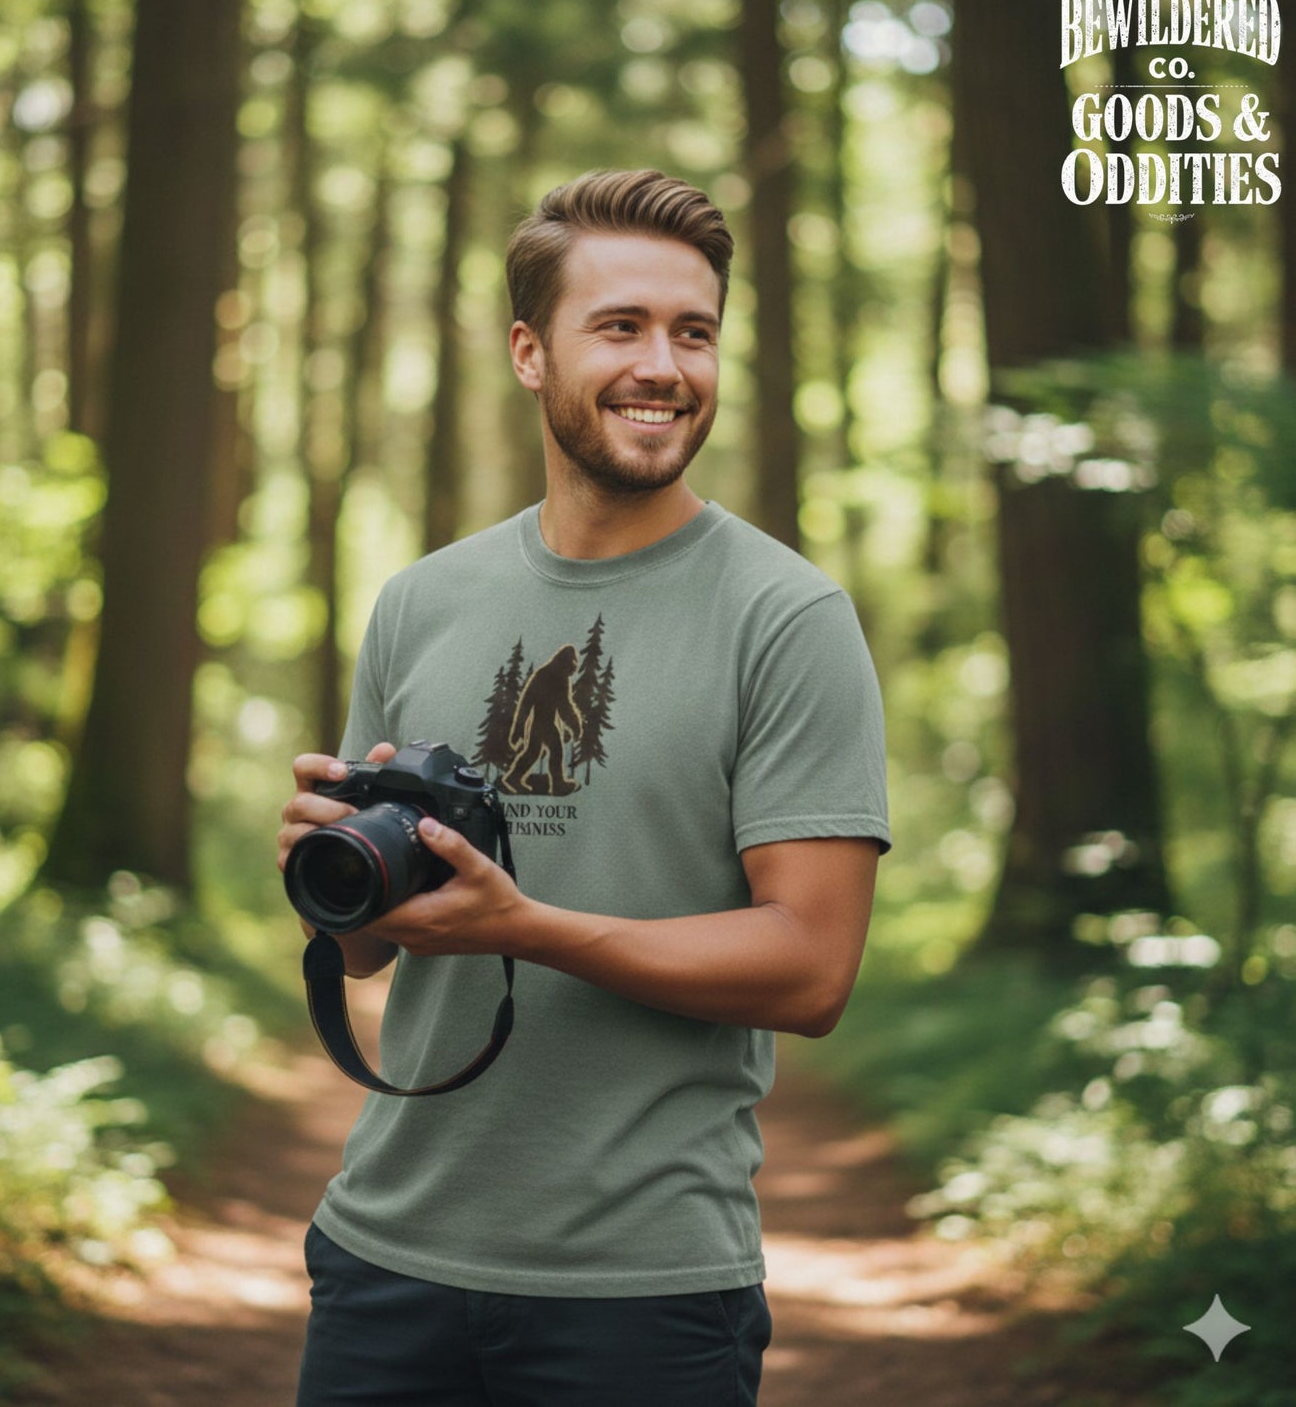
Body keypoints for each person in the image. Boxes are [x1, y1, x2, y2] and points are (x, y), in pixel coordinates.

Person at [276, 168, 890, 1406]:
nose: (662, 365)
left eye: (693, 331)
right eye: (619, 327)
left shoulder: (786, 618)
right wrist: (330, 873)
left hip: (644, 1291)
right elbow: (362, 957)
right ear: (527, 350)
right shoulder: (421, 600)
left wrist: (526, 928)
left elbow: (810, 969)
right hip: (384, 1255)